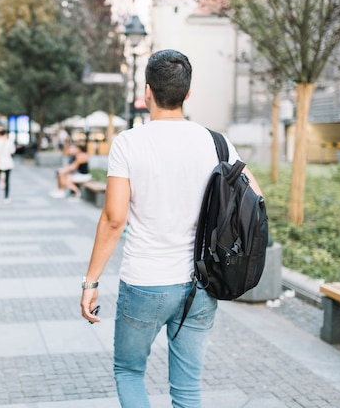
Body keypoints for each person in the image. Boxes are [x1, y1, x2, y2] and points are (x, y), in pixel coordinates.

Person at [80, 49, 263, 408]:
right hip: (201, 282)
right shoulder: (217, 142)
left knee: (129, 372)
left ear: (147, 91)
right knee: (187, 390)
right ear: (187, 94)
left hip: (146, 281)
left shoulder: (129, 143)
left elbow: (114, 219)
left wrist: (91, 282)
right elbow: (255, 197)